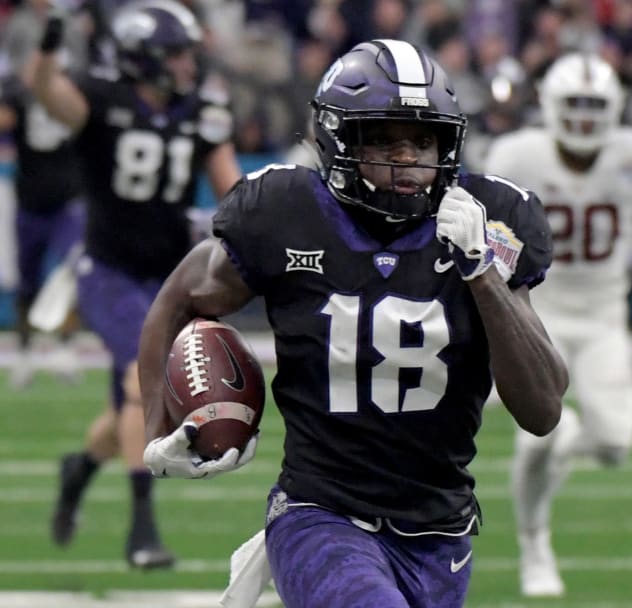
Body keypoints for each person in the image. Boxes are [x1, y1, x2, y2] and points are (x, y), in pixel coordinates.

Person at [138, 39, 568, 607]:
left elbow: (542, 411)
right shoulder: (285, 212)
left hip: (440, 532)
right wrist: (156, 428)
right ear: (339, 140)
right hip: (322, 512)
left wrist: (482, 273)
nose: (409, 159)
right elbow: (180, 298)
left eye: (423, 140)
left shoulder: (490, 220)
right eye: (385, 140)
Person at [32, 0, 241, 568]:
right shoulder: (101, 97)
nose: (185, 65)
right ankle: (142, 528)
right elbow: (47, 91)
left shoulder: (201, 108)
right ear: (142, 57)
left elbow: (232, 189)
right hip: (107, 271)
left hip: (172, 277)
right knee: (138, 381)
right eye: (175, 54)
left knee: (133, 405)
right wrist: (51, 35)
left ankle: (80, 467)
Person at [485, 52, 632, 598]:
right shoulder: (517, 155)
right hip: (535, 315)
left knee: (616, 443)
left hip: (604, 317)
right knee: (538, 439)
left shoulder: (626, 154)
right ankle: (534, 544)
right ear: (550, 104)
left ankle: (567, 441)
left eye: (596, 106)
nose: (587, 118)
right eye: (577, 105)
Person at [0, 49, 85, 389]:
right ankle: (24, 351)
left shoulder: (75, 98)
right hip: (31, 202)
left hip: (68, 199)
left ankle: (66, 347)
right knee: (28, 282)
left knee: (69, 272)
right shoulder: (17, 99)